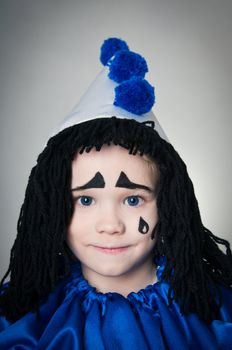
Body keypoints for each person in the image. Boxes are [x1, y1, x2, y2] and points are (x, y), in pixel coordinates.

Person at [0, 38, 231, 350]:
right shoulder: (20, 317)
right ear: (52, 207)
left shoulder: (218, 314)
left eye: (133, 199)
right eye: (85, 200)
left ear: (168, 205)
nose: (110, 225)